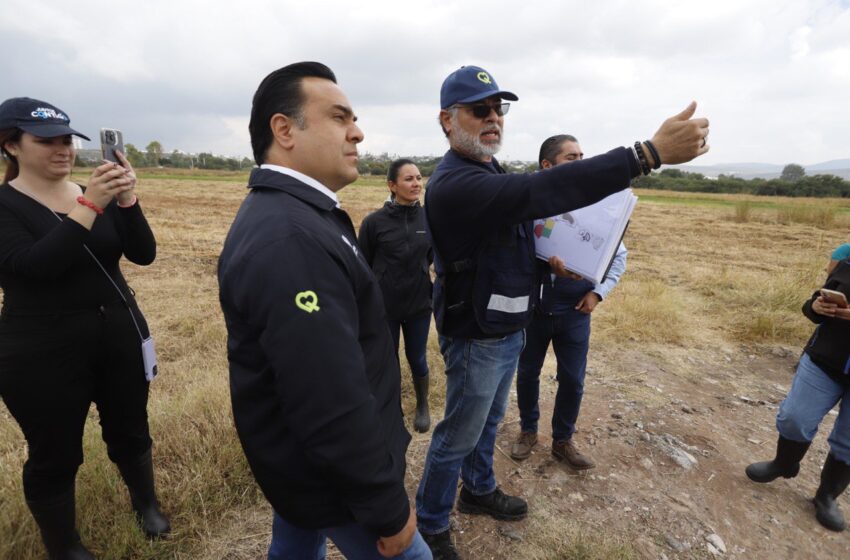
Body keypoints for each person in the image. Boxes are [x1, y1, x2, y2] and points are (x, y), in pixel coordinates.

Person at [415, 65, 709, 560]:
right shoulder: (454, 182)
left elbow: (506, 235)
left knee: (488, 422)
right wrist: (645, 155)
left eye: (498, 108)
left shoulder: (485, 169)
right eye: (478, 109)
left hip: (508, 325)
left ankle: (478, 489)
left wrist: (553, 258)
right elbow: (537, 193)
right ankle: (430, 521)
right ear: (447, 120)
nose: (493, 118)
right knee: (459, 432)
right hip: (477, 334)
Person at [217, 62, 431, 560]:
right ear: (284, 129)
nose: (357, 132)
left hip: (304, 469)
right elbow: (328, 398)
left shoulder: (305, 215)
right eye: (339, 117)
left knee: (295, 542)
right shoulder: (291, 238)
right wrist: (386, 508)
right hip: (333, 482)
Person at [0, 97, 169, 560]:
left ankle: (147, 505)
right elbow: (36, 267)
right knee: (55, 451)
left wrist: (127, 200)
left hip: (116, 333)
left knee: (131, 429)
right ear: (11, 145)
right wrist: (90, 204)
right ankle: (65, 545)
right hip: (41, 349)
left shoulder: (95, 192)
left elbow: (143, 253)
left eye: (67, 140)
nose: (63, 150)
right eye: (46, 141)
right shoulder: (6, 206)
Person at [510, 135, 628, 469]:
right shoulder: (527, 209)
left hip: (575, 311)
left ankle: (563, 441)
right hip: (532, 310)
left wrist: (597, 293)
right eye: (571, 158)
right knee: (527, 373)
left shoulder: (598, 212)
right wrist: (543, 264)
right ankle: (528, 431)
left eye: (582, 156)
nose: (581, 162)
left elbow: (618, 258)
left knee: (573, 379)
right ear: (546, 166)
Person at [745, 257, 850, 532]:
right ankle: (784, 463)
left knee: (849, 441)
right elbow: (814, 306)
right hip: (824, 361)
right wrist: (816, 305)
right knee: (795, 417)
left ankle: (826, 496)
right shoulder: (847, 263)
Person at [359, 159, 434, 433]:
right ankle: (391, 410)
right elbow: (363, 266)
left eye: (418, 178)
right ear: (392, 185)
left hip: (418, 306)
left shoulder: (429, 218)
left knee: (417, 358)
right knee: (387, 360)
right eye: (408, 179)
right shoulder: (374, 223)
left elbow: (431, 258)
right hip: (384, 307)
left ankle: (423, 404)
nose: (416, 184)